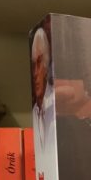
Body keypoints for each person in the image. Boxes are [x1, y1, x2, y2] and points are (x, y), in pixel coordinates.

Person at [31, 26, 56, 160]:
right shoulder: (34, 111)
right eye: (33, 64)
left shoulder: (57, 108)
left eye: (39, 63)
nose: (35, 73)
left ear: (47, 67)